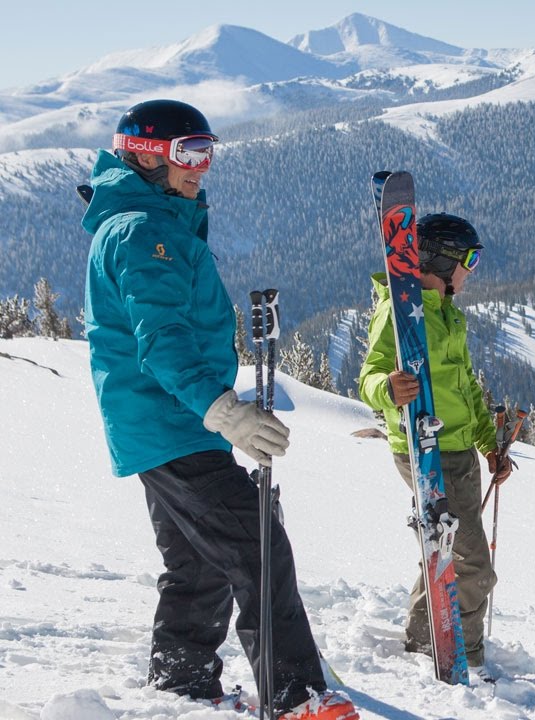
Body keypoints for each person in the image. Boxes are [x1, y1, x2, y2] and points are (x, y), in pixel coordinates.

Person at [81, 99, 357, 719]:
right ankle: (296, 697)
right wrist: (224, 411)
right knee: (258, 540)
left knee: (197, 561)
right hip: (172, 421)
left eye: (206, 152)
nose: (200, 168)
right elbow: (163, 341)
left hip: (166, 425)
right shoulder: (141, 232)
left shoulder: (156, 222)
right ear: (147, 155)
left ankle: (181, 683)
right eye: (187, 154)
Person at [358, 212, 508, 678]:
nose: (472, 269)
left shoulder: (445, 313)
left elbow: (464, 386)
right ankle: (464, 651)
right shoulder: (400, 312)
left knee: (443, 549)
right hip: (426, 446)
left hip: (459, 448)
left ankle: (425, 638)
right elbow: (368, 377)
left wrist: (489, 441)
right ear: (442, 260)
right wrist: (389, 388)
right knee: (473, 565)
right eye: (470, 259)